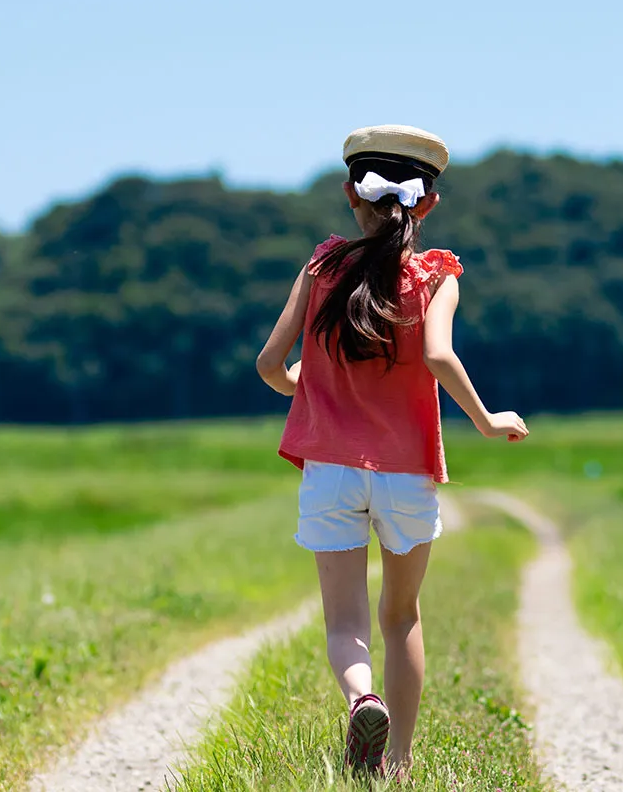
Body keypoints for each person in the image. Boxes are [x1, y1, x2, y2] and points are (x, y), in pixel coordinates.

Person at [255, 124, 529, 778]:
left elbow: (270, 364)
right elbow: (437, 354)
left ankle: (361, 699)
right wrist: (487, 421)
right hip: (406, 476)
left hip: (329, 476)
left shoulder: (321, 268)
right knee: (401, 615)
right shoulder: (436, 276)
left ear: (351, 194)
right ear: (427, 204)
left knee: (343, 621)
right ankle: (398, 763)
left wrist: (311, 391)